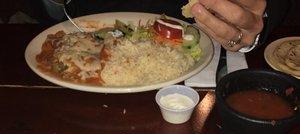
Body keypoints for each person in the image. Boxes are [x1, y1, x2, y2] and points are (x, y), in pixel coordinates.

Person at [47, 0, 292, 51]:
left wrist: (253, 23)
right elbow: (57, 9)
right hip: (81, 42)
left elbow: (271, 6)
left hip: (200, 76)